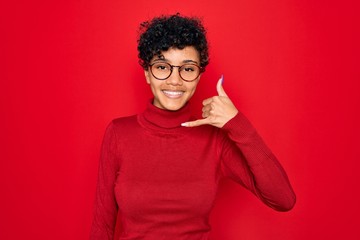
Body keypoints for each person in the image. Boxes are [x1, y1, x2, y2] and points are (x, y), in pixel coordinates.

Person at [90, 13, 296, 240]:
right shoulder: (119, 133)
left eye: (187, 69)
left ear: (198, 76)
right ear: (147, 73)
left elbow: (283, 199)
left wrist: (237, 123)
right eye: (162, 67)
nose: (175, 80)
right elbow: (102, 226)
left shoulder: (215, 140)